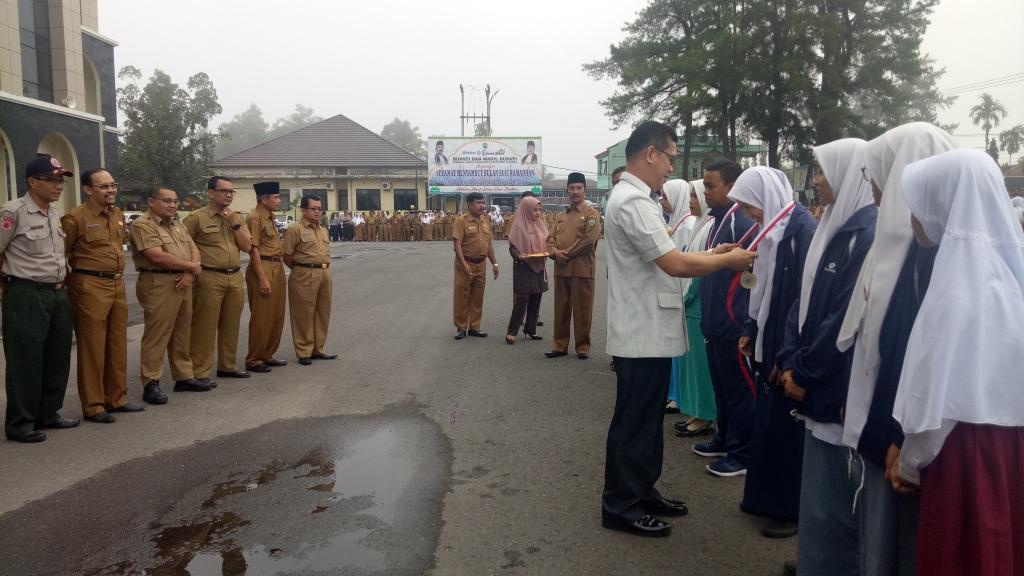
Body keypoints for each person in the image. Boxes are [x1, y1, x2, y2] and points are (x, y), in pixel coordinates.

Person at [602, 121, 756, 537]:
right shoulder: (632, 201)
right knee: (634, 422)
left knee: (647, 420)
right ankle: (621, 504)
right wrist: (726, 260)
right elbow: (673, 263)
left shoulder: (640, 198)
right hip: (640, 331)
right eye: (670, 157)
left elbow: (673, 255)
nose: (672, 168)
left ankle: (642, 489)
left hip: (647, 327)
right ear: (650, 153)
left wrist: (712, 252)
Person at [893, 149, 1024, 576]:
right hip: (1009, 452)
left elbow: (935, 401)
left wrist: (910, 463)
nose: (912, 219)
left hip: (964, 455)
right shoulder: (1009, 273)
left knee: (964, 553)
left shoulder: (956, 286)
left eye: (918, 205)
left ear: (943, 204)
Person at [837, 123, 956, 576]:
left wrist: (897, 436)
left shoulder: (933, 258)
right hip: (894, 427)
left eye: (882, 178)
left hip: (916, 435)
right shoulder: (905, 247)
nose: (876, 193)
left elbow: (917, 356)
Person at [766, 139, 877, 572]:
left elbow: (841, 318)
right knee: (819, 489)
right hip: (809, 373)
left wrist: (806, 371)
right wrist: (791, 355)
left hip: (831, 382)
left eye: (821, 171)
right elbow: (803, 301)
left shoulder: (864, 233)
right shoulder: (833, 222)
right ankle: (814, 560)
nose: (814, 180)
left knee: (836, 494)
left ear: (848, 174)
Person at [726, 167, 817, 539]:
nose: (750, 214)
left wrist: (788, 355)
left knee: (786, 434)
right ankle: (762, 497)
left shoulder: (801, 231)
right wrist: (750, 329)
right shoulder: (770, 233)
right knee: (768, 428)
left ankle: (788, 509)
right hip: (766, 339)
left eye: (751, 206)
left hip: (786, 346)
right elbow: (759, 287)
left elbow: (804, 301)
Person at [1, 155, 79, 443]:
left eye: (61, 180)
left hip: (57, 293)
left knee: (57, 356)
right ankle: (21, 423)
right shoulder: (13, 212)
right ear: (32, 181)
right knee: (26, 360)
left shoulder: (54, 213)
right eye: (51, 179)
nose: (58, 185)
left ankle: (49, 412)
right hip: (27, 293)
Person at [692, 159, 758, 477]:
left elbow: (752, 267)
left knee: (738, 390)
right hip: (716, 322)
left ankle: (742, 452)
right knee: (722, 386)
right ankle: (725, 437)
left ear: (732, 187)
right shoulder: (720, 220)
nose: (704, 192)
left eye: (710, 186)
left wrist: (741, 318)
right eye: (703, 186)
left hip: (732, 323)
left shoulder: (740, 220)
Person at [62, 168, 144, 424]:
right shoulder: (75, 218)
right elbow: (60, 255)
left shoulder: (117, 214)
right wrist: (73, 285)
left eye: (113, 185)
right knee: (92, 347)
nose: (111, 190)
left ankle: (116, 398)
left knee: (117, 343)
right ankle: (94, 405)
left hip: (117, 284)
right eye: (104, 186)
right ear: (88, 190)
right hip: (89, 284)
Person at [130, 187, 209, 404]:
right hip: (158, 282)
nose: (173, 205)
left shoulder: (178, 224)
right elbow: (156, 256)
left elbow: (194, 249)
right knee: (157, 334)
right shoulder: (143, 224)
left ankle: (184, 377)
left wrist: (189, 272)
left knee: (182, 332)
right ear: (151, 202)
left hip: (183, 281)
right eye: (166, 201)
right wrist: (192, 267)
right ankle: (151, 382)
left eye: (175, 201)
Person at [183, 176, 253, 385]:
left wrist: (234, 225)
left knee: (231, 324)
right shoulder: (197, 218)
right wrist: (190, 271)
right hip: (208, 276)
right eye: (224, 191)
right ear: (211, 193)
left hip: (234, 276)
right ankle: (200, 371)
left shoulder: (236, 218)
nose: (229, 195)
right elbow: (184, 246)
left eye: (231, 191)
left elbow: (247, 247)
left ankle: (227, 366)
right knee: (205, 326)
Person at [671, 180, 718, 437]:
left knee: (701, 366)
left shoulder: (709, 226)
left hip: (697, 304)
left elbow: (702, 268)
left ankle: (705, 415)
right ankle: (697, 411)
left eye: (694, 195)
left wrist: (687, 297)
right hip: (689, 303)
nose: (691, 200)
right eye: (688, 195)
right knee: (692, 365)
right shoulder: (699, 226)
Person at [544, 173, 601, 359]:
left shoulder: (591, 214)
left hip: (582, 271)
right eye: (572, 188)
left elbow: (589, 240)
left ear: (585, 190)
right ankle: (559, 345)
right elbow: (549, 240)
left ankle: (582, 346)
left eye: (579, 188)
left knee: (582, 310)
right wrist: (554, 252)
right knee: (561, 309)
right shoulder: (561, 216)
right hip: (562, 270)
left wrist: (565, 253)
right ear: (567, 190)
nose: (575, 192)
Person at [283, 195, 337, 365]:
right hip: (304, 273)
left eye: (319, 209)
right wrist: (301, 269)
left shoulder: (323, 230)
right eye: (313, 209)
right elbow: (287, 255)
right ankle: (304, 351)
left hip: (324, 272)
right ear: (303, 210)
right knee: (303, 313)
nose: (317, 212)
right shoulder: (295, 229)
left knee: (322, 312)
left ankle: (318, 349)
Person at [244, 181, 288, 373]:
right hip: (262, 265)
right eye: (276, 197)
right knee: (262, 316)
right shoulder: (254, 218)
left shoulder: (270, 217)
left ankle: (267, 354)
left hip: (276, 265)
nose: (279, 200)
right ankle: (254, 358)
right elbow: (253, 249)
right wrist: (262, 278)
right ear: (264, 199)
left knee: (276, 314)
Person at [452, 192, 499, 339]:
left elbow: (489, 244)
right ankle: (461, 328)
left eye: (483, 202)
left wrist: (495, 263)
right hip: (465, 263)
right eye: (478, 203)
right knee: (462, 297)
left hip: (481, 264)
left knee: (478, 297)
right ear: (470, 205)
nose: (482, 206)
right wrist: (464, 264)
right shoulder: (461, 221)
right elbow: (457, 245)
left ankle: (474, 327)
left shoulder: (485, 220)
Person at [505, 195, 548, 344]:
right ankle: (512, 332)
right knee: (522, 300)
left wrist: (549, 251)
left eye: (539, 210)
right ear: (526, 210)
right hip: (524, 267)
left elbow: (548, 241)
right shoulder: (518, 225)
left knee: (536, 298)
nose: (538, 213)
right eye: (534, 210)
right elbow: (512, 248)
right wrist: (519, 256)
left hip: (539, 265)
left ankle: (531, 329)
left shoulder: (540, 223)